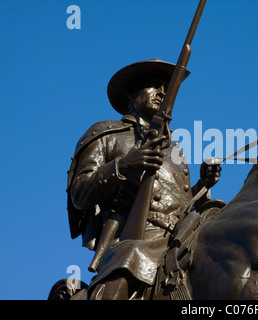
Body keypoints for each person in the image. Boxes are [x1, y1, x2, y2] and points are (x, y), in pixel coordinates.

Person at [67, 59, 222, 300]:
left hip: (181, 238)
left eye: (164, 87)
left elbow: (178, 205)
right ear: (131, 94)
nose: (162, 92)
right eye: (153, 85)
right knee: (129, 260)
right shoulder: (107, 134)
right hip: (134, 241)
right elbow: (79, 194)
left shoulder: (174, 152)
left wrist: (203, 185)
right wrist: (124, 165)